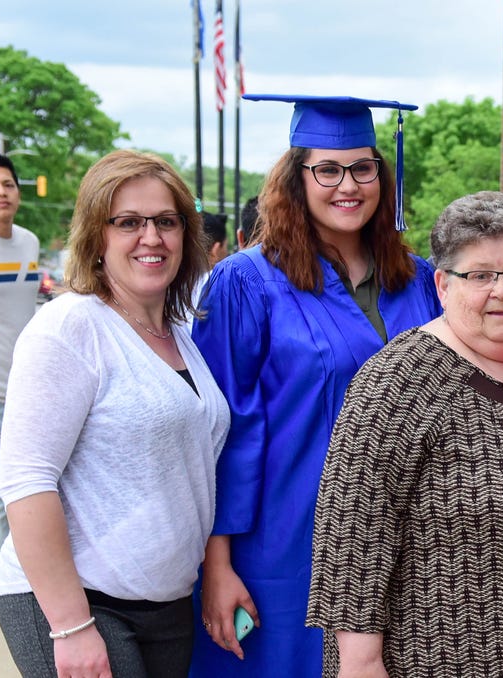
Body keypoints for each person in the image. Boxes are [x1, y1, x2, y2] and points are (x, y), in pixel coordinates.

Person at [307, 191, 503, 677]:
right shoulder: (400, 378)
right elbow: (352, 536)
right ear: (442, 284)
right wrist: (360, 664)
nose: (502, 291)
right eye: (479, 275)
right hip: (451, 657)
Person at [189, 94, 442, 677]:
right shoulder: (245, 283)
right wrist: (216, 566)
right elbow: (218, 433)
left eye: (362, 167)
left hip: (407, 544)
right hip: (282, 545)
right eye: (327, 169)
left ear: (384, 173)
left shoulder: (421, 281)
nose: (347, 184)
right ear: (296, 177)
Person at [0, 149, 230, 677]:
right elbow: (27, 480)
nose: (152, 237)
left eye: (166, 222)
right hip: (79, 602)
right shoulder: (71, 328)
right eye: (128, 222)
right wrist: (72, 625)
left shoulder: (181, 336)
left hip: (165, 604)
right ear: (96, 237)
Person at [0, 151, 40, 630]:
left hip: (22, 393)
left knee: (15, 499)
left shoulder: (28, 241)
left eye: (7, 184)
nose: (1, 192)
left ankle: (15, 595)